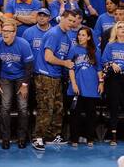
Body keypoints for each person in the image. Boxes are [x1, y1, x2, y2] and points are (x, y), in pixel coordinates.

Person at [32, 10, 76, 151]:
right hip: (45, 75)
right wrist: (65, 64)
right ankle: (37, 137)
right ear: (62, 18)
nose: (72, 23)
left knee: (58, 108)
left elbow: (67, 59)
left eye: (74, 21)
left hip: (56, 77)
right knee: (46, 108)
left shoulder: (67, 38)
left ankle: (52, 136)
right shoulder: (53, 34)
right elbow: (48, 57)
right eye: (69, 20)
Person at [0, 19, 34, 149]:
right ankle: (5, 138)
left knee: (22, 107)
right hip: (5, 78)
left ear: (14, 33)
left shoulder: (24, 44)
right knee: (5, 107)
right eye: (3, 31)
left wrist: (25, 85)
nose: (5, 34)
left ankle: (22, 138)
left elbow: (29, 67)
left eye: (8, 31)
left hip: (21, 77)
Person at [67, 27, 103, 147]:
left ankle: (90, 138)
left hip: (92, 88)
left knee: (91, 115)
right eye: (79, 35)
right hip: (77, 87)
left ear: (88, 37)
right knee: (75, 114)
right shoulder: (73, 49)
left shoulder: (95, 50)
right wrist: (74, 84)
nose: (80, 37)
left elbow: (99, 69)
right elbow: (70, 68)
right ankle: (74, 139)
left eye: (83, 35)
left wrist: (101, 82)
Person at [102, 21, 124, 146]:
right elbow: (104, 62)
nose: (122, 29)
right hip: (114, 79)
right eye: (120, 27)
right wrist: (112, 64)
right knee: (114, 106)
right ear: (116, 30)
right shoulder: (110, 45)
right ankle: (113, 135)